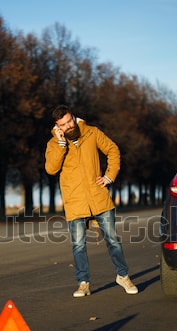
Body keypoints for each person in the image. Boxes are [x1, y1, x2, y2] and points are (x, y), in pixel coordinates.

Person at [45, 104, 138, 297]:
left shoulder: (92, 133)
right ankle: (83, 283)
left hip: (98, 198)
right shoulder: (54, 144)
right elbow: (51, 169)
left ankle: (123, 276)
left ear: (74, 117)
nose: (69, 126)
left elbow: (113, 150)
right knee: (78, 245)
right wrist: (61, 144)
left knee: (113, 240)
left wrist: (109, 176)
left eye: (70, 121)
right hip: (75, 201)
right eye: (63, 124)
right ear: (57, 126)